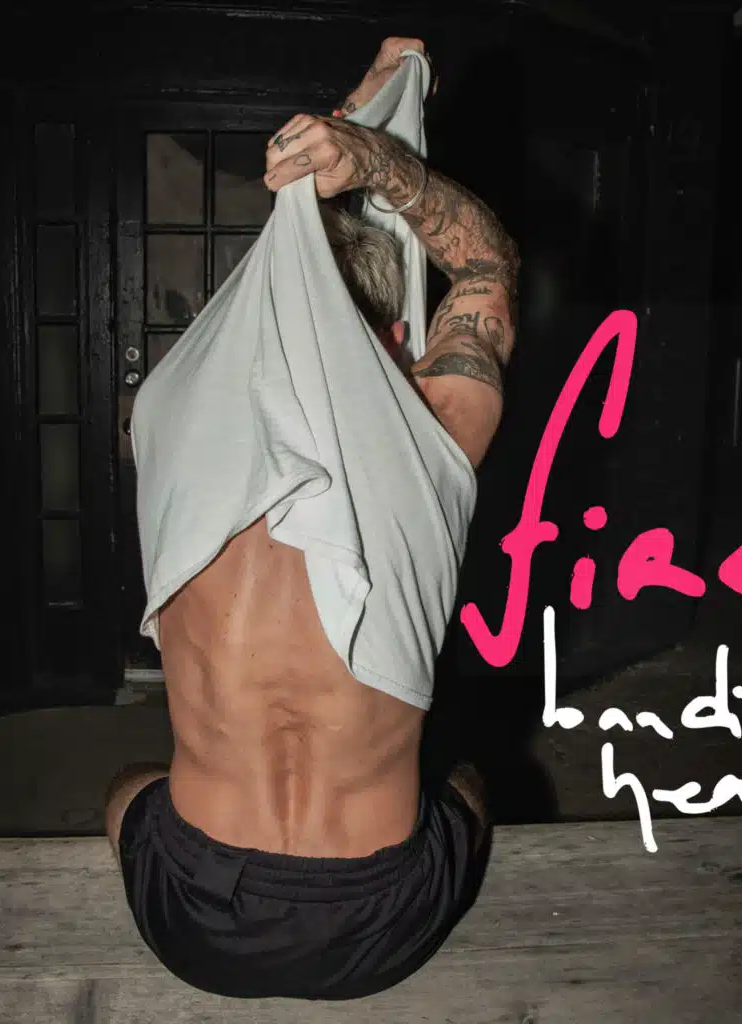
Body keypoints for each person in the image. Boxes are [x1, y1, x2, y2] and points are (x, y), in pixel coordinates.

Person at [105, 37, 519, 1000]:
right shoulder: (439, 434)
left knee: (128, 790)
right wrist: (375, 157)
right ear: (399, 339)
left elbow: (285, 312)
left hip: (193, 920)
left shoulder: (162, 424)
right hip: (387, 921)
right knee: (468, 783)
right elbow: (486, 263)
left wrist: (350, 130)